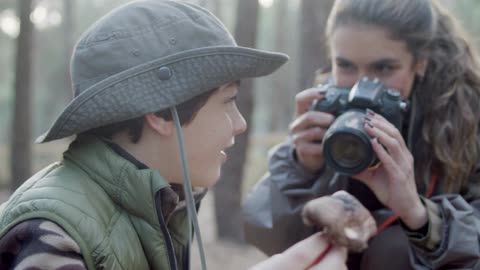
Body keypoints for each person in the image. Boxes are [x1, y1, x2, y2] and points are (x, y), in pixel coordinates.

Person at [0, 0, 347, 269]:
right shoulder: (52, 234)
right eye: (227, 102)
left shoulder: (162, 200)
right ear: (161, 113)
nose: (239, 124)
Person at [243, 0, 480, 269]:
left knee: (392, 247)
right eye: (345, 66)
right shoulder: (326, 112)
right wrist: (301, 170)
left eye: (384, 68)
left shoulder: (467, 120)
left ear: (420, 63)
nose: (362, 85)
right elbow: (261, 231)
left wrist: (420, 216)